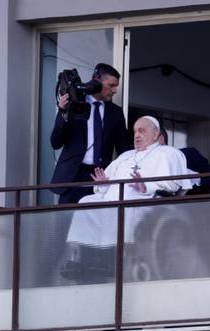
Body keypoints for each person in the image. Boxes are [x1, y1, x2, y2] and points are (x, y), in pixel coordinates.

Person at [63, 116, 192, 272]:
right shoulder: (126, 156)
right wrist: (103, 184)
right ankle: (84, 256)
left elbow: (172, 185)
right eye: (135, 131)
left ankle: (113, 259)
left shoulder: (168, 153)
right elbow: (109, 184)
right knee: (85, 202)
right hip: (112, 197)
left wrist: (145, 186)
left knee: (122, 205)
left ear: (156, 133)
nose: (136, 135)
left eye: (142, 131)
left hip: (144, 199)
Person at [50, 64, 130, 205]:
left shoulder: (116, 113)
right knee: (65, 222)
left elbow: (123, 150)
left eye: (116, 86)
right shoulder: (75, 104)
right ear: (96, 81)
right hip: (73, 175)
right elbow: (56, 142)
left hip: (100, 177)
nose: (114, 90)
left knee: (95, 223)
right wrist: (63, 111)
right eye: (111, 85)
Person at [158, 127, 210, 193]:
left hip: (195, 203)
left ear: (161, 139)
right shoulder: (149, 165)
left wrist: (195, 177)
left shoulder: (189, 154)